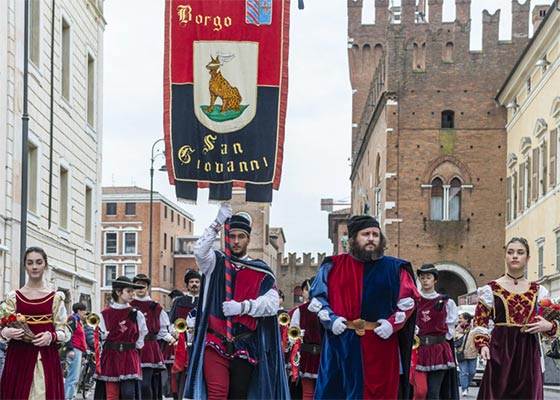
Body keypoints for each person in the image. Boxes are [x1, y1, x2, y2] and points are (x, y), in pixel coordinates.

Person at [309, 215, 420, 399]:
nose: (371, 238)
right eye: (365, 234)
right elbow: (318, 298)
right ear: (353, 239)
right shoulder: (333, 266)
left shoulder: (395, 268)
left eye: (375, 234)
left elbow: (408, 301)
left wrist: (391, 324)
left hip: (381, 345)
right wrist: (332, 319)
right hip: (341, 344)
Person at [184, 204, 289, 399]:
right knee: (217, 394)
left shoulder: (261, 271)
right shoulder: (215, 262)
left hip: (245, 343)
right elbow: (199, 252)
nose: (236, 241)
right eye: (232, 236)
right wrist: (216, 223)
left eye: (241, 237)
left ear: (248, 239)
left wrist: (243, 307)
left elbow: (272, 304)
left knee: (239, 395)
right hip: (215, 340)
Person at [473, 237, 558, 399]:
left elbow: (550, 327)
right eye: (510, 252)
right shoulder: (491, 289)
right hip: (500, 350)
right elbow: (480, 322)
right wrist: (482, 345)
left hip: (528, 351)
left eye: (520, 252)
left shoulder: (539, 291)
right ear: (505, 256)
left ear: (528, 258)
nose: (515, 256)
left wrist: (548, 326)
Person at [0, 246, 72, 399]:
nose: (34, 267)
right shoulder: (14, 297)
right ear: (25, 265)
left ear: (45, 265)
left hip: (45, 357)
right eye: (30, 262)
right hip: (18, 357)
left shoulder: (55, 298)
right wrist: (5, 332)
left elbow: (64, 331)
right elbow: (2, 325)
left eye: (38, 262)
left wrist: (51, 336)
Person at [93, 276, 148, 400]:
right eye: (128, 291)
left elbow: (143, 332)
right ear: (118, 292)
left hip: (129, 355)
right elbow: (101, 336)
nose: (132, 294)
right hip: (110, 356)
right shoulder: (104, 314)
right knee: (111, 394)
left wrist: (135, 346)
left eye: (132, 291)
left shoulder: (136, 313)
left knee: (128, 393)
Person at [413, 264, 458, 400]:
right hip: (419, 351)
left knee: (434, 393)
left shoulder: (446, 302)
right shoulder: (414, 301)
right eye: (422, 277)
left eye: (428, 277)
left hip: (439, 351)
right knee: (419, 391)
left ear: (435, 280)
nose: (425, 280)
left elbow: (450, 330)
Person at [131, 273, 176, 400]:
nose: (140, 288)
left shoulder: (156, 307)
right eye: (137, 286)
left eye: (143, 286)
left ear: (148, 287)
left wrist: (171, 339)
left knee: (146, 384)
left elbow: (162, 331)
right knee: (133, 385)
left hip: (149, 349)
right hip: (132, 349)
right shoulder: (128, 306)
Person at [169, 269, 201, 400]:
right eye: (191, 282)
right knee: (180, 376)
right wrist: (174, 332)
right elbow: (171, 321)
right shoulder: (179, 301)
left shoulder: (205, 301)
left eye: (197, 282)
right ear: (187, 285)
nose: (194, 284)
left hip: (199, 343)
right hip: (181, 344)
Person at [288, 278, 322, 400]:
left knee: (321, 391)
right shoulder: (300, 310)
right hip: (306, 356)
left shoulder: (327, 309)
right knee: (308, 391)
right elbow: (292, 335)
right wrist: (299, 338)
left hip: (323, 356)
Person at [162, 289, 184, 399]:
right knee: (170, 372)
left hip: (182, 346)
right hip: (170, 347)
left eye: (177, 299)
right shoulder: (167, 314)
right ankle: (170, 392)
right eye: (174, 299)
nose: (175, 301)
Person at [64, 302, 88, 400]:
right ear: (79, 311)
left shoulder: (78, 321)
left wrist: (83, 354)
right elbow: (68, 334)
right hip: (74, 349)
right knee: (72, 378)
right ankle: (67, 398)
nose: (85, 313)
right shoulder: (72, 319)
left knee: (75, 378)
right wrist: (70, 350)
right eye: (84, 311)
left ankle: (69, 397)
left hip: (78, 350)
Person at [455, 312, 477, 397]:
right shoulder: (457, 329)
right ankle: (464, 388)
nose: (459, 320)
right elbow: (454, 338)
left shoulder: (474, 329)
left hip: (472, 353)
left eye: (461, 318)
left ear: (466, 319)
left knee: (472, 372)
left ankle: (466, 383)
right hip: (461, 353)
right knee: (463, 372)